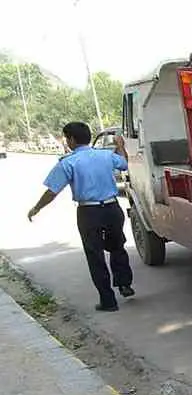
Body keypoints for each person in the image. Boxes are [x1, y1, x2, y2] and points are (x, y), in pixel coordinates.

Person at [27, 122, 135, 312]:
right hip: (112, 207)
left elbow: (52, 191)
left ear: (71, 140)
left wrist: (36, 208)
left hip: (88, 212)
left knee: (95, 255)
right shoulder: (105, 155)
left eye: (67, 138)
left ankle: (108, 301)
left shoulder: (68, 162)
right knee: (117, 247)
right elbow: (124, 163)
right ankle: (124, 284)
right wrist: (120, 146)